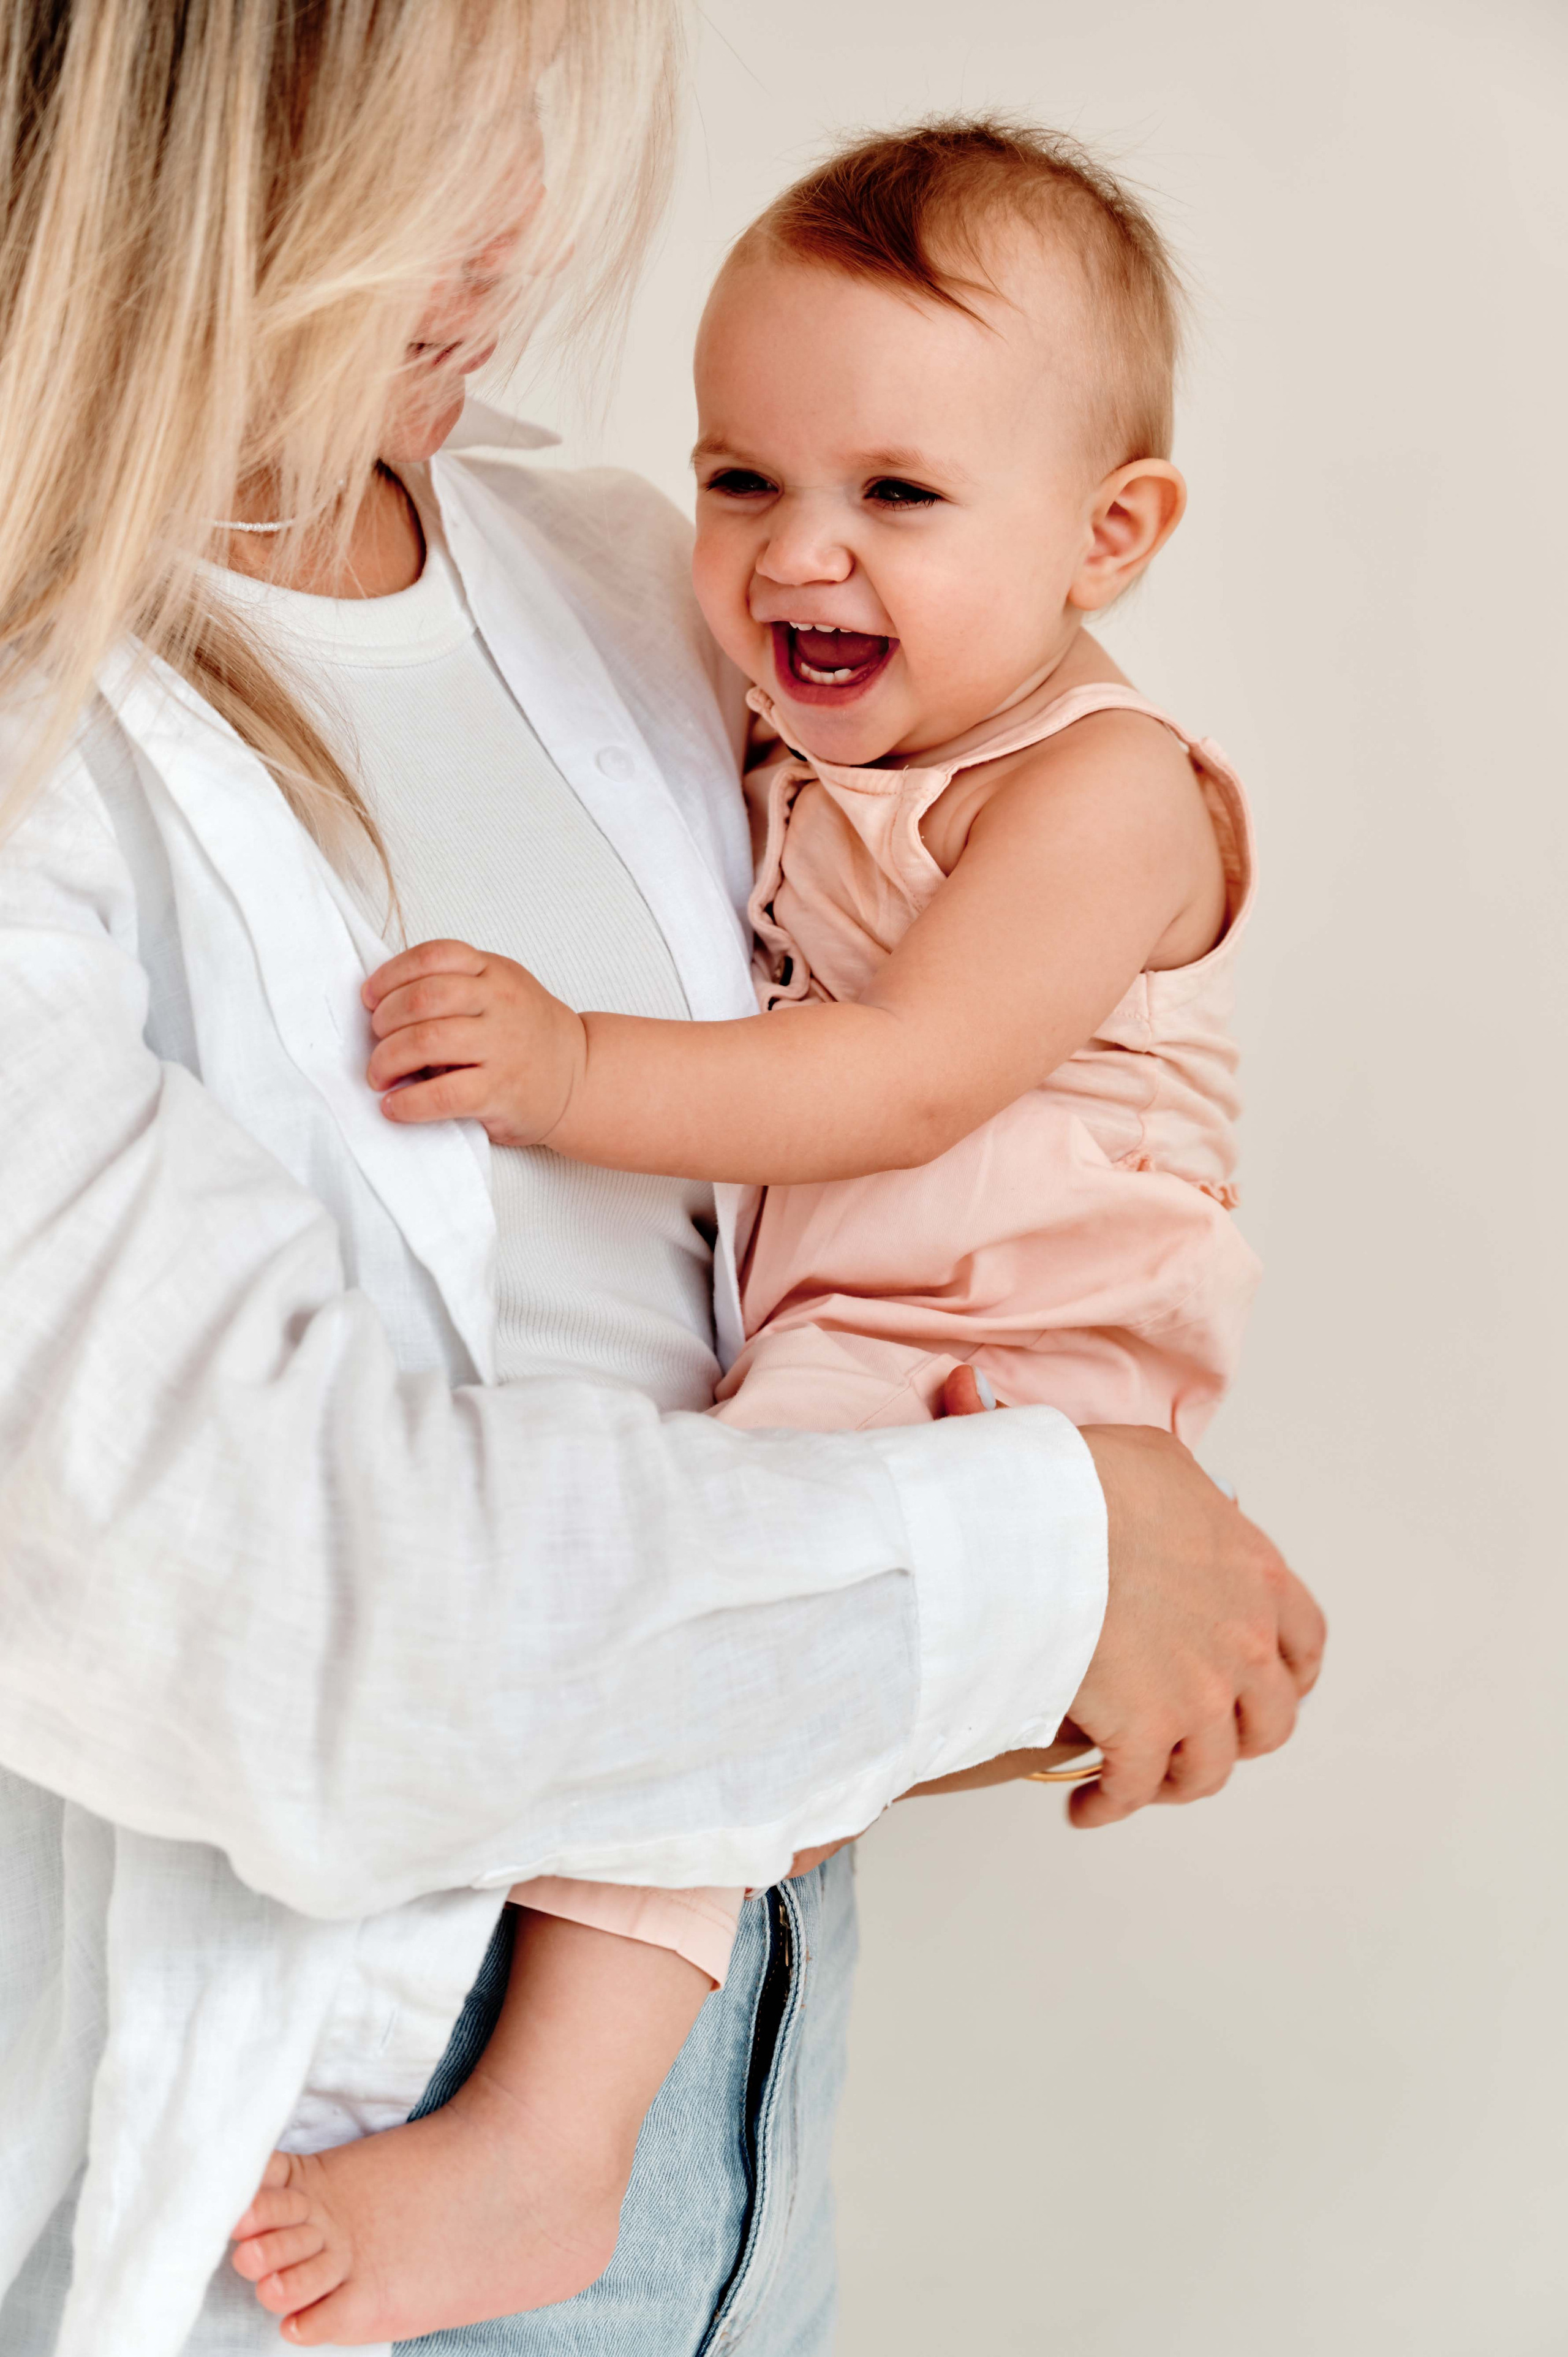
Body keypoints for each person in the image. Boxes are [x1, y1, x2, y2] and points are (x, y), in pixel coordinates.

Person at [0, 9, 1323, 2355]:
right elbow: (272, 1606)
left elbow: (855, 1131)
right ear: (208, 145)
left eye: (528, 122)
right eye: (439, 135)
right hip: (313, 2152)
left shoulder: (613, 573)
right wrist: (1042, 1556)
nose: (521, 225)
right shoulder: (51, 716)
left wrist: (996, 1590)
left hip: (737, 2081)